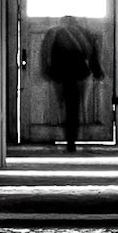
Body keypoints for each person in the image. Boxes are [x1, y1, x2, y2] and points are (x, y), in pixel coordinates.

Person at [40, 14, 103, 151]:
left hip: (59, 74)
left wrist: (45, 71)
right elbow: (92, 53)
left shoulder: (53, 33)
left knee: (62, 107)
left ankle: (68, 139)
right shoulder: (86, 33)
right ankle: (75, 139)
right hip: (80, 74)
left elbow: (45, 53)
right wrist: (97, 71)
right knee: (78, 107)